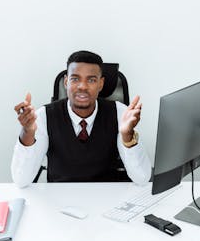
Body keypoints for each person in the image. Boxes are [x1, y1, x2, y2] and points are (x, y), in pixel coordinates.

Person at [11, 50, 151, 187]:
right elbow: (21, 180)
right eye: (75, 79)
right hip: (59, 199)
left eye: (91, 80)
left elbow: (142, 178)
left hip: (107, 196)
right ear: (66, 82)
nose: (82, 86)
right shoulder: (43, 116)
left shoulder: (119, 112)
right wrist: (27, 132)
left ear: (101, 84)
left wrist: (127, 135)